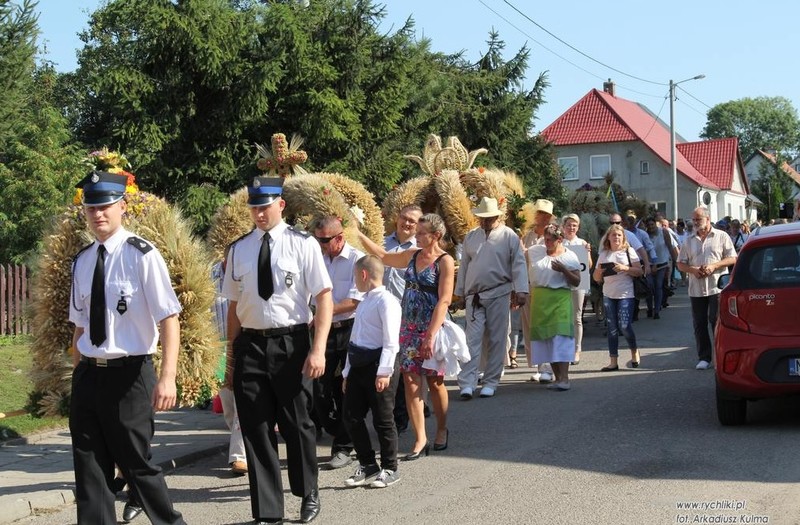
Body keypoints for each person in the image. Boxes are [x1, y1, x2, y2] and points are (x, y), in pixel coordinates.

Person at [69, 171, 185, 524]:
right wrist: (76, 377)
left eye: (105, 206)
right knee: (90, 474)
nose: (98, 214)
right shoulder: (83, 260)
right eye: (91, 208)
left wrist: (168, 377)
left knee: (138, 466)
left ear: (122, 206)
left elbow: (169, 318)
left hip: (130, 376)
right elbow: (80, 326)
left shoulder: (142, 255)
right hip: (90, 375)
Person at [222, 176, 332, 524]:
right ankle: (268, 509)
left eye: (265, 206)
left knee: (297, 424)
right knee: (256, 427)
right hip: (251, 344)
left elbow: (324, 298)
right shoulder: (238, 249)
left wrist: (318, 349)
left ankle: (307, 492)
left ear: (280, 205)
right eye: (254, 207)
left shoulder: (303, 244)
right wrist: (229, 356)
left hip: (292, 343)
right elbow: (233, 307)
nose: (259, 213)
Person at [356, 213, 454, 459]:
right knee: (411, 382)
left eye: (422, 233)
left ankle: (441, 428)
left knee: (435, 382)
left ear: (436, 236)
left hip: (432, 326)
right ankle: (421, 437)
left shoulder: (444, 261)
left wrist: (431, 334)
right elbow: (384, 256)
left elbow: (444, 300)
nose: (416, 236)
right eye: (417, 232)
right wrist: (356, 232)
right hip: (408, 326)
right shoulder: (412, 256)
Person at [455, 197, 528, 398]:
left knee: (497, 338)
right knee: (472, 339)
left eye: (489, 217)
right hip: (474, 295)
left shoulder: (509, 236)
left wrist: (521, 289)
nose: (485, 221)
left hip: (499, 292)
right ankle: (467, 382)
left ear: (497, 216)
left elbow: (518, 263)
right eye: (482, 218)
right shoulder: (471, 236)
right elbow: (464, 267)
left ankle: (491, 381)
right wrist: (459, 292)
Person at [341, 255, 402, 489]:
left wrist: (384, 371)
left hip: (379, 365)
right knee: (352, 416)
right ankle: (367, 464)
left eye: (356, 276)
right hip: (358, 364)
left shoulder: (387, 301)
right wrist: (347, 372)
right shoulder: (365, 301)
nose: (355, 281)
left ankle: (390, 467)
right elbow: (355, 339)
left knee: (383, 418)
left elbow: (391, 341)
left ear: (364, 275)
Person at [310, 215, 363, 471]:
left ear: (340, 237)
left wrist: (322, 311)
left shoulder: (356, 259)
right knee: (319, 390)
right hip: (323, 332)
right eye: (317, 239)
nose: (320, 244)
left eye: (324, 240)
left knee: (347, 389)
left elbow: (355, 301)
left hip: (350, 330)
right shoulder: (315, 258)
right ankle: (337, 429)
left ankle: (343, 446)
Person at [676, 206, 737, 371]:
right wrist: (693, 270)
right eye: (693, 220)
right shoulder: (688, 240)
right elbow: (680, 263)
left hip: (717, 286)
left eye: (698, 219)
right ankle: (704, 357)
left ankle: (720, 356)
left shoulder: (721, 236)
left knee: (716, 321)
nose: (695, 223)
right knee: (699, 323)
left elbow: (733, 258)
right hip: (696, 288)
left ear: (708, 219)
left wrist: (714, 266)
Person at [383, 204, 424, 433]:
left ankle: (399, 417)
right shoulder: (382, 243)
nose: (406, 223)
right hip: (379, 313)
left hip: (403, 314)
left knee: (400, 366)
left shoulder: (418, 250)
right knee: (381, 364)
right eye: (404, 218)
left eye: (412, 221)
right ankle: (384, 413)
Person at [527, 224, 582, 390]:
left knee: (560, 337)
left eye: (550, 240)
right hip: (540, 299)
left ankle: (565, 378)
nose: (547, 242)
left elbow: (577, 281)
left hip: (560, 298)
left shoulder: (569, 256)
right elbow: (520, 252)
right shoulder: (536, 251)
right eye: (545, 239)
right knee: (547, 339)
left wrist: (564, 270)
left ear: (560, 240)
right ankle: (557, 378)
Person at [213, 255, 248, 476]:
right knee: (227, 403)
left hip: (244, 346)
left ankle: (240, 456)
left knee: (241, 400)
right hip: (217, 350)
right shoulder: (208, 274)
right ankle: (249, 440)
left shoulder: (248, 272)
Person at [592, 224, 643, 371]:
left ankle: (634, 351)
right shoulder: (604, 254)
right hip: (609, 294)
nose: (616, 238)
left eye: (619, 235)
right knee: (612, 328)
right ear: (608, 237)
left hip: (626, 294)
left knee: (625, 325)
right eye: (613, 235)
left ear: (623, 238)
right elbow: (596, 278)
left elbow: (639, 271)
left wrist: (625, 268)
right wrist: (600, 272)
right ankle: (613, 361)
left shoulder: (629, 251)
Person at [521, 199, 556, 382]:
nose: (541, 217)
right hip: (527, 285)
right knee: (529, 327)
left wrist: (525, 251)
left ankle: (548, 367)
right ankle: (538, 364)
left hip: (544, 286)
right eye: (539, 213)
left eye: (544, 214)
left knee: (544, 326)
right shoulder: (526, 235)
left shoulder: (553, 235)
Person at [561, 213, 592, 365]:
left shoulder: (582, 243)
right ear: (563, 227)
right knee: (564, 317)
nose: (571, 228)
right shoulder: (560, 242)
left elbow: (589, 265)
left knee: (577, 317)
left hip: (578, 284)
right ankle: (565, 348)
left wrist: (587, 253)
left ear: (578, 227)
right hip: (561, 283)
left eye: (574, 225)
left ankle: (577, 350)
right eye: (569, 225)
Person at [644, 217, 678, 320]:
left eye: (652, 225)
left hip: (662, 263)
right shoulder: (645, 235)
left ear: (655, 224)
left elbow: (670, 246)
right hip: (649, 264)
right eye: (648, 225)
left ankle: (657, 310)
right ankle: (650, 307)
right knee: (649, 286)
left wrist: (675, 260)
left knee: (658, 285)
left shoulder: (663, 232)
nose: (650, 227)